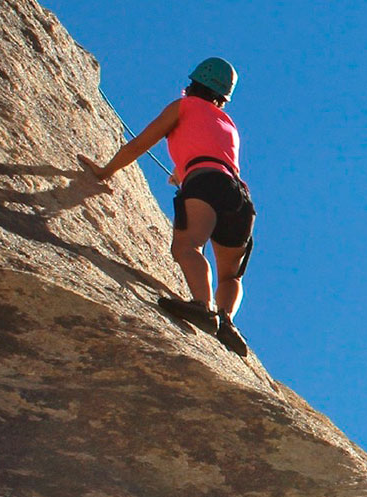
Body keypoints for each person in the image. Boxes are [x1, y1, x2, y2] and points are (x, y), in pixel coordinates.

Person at [81, 57, 255, 357]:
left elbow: (138, 145)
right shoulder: (229, 124)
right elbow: (212, 154)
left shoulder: (182, 107)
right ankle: (227, 321)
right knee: (230, 275)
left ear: (193, 83)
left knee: (187, 247)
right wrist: (182, 173)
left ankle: (203, 307)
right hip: (239, 197)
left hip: (205, 183)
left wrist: (103, 172)